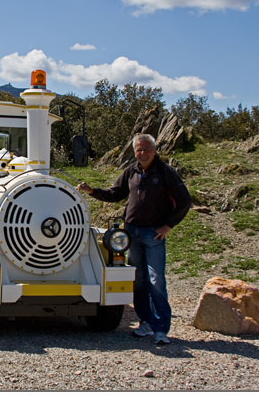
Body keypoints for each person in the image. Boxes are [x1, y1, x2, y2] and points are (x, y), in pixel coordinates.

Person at [77, 133, 191, 345]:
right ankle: (145, 322)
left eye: (146, 149)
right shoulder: (132, 171)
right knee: (138, 281)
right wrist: (91, 190)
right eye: (138, 149)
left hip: (154, 233)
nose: (142, 153)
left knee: (156, 280)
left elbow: (185, 200)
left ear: (155, 150)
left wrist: (168, 226)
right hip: (132, 232)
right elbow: (115, 193)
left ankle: (161, 329)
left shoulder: (165, 172)